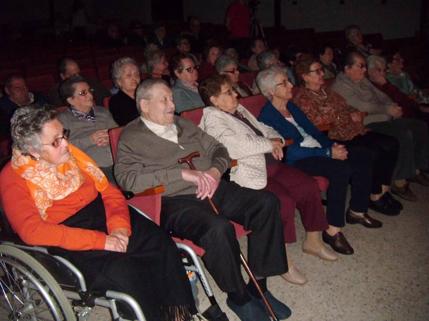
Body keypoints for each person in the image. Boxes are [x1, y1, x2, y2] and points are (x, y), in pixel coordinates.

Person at [114, 78, 291, 321]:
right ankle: (238, 296)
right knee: (217, 228)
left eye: (171, 98)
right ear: (144, 105)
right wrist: (181, 174)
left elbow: (219, 149)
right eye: (164, 99)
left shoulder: (184, 125)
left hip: (214, 185)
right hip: (174, 200)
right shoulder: (131, 136)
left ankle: (259, 286)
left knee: (266, 203)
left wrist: (215, 171)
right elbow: (127, 179)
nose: (171, 104)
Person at [0, 106, 198, 321]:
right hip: (67, 234)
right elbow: (33, 231)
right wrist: (102, 241)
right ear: (34, 150)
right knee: (125, 270)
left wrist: (119, 227)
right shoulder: (12, 178)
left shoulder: (72, 154)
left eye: (63, 134)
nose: (66, 143)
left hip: (102, 212)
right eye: (56, 141)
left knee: (160, 243)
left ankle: (179, 315)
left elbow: (109, 191)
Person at [199, 74, 338, 285]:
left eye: (233, 90)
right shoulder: (212, 119)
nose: (236, 94)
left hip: (271, 165)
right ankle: (283, 261)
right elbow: (235, 147)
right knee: (283, 201)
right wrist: (269, 143)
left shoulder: (238, 109)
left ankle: (314, 241)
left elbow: (267, 130)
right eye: (228, 92)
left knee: (308, 186)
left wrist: (277, 140)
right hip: (250, 173)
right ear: (214, 100)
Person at [257, 66, 383, 256]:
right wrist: (327, 153)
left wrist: (333, 146)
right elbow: (290, 152)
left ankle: (357, 211)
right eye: (284, 83)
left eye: (288, 80)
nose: (291, 85)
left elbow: (315, 132)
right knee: (340, 168)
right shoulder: (267, 117)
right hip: (298, 159)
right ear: (271, 91)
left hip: (318, 149)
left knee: (363, 155)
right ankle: (332, 230)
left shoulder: (291, 106)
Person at [293, 55, 402, 216]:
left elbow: (344, 106)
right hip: (334, 137)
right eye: (317, 71)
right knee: (371, 153)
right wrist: (344, 116)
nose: (322, 74)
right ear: (305, 76)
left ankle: (382, 191)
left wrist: (354, 112)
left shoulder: (326, 91)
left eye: (321, 70)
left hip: (351, 131)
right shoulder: (302, 99)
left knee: (391, 143)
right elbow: (319, 122)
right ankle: (373, 196)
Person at [331, 51, 429, 201]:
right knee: (403, 133)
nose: (364, 70)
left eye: (364, 66)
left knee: (420, 126)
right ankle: (399, 180)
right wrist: (386, 109)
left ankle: (416, 168)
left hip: (384, 117)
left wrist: (391, 105)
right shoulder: (340, 85)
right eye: (360, 66)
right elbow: (362, 105)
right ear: (347, 68)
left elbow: (381, 95)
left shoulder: (362, 80)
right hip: (369, 123)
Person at [57, 75, 117, 182]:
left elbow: (118, 134)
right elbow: (62, 148)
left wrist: (110, 138)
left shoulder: (102, 111)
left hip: (119, 160)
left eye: (89, 91)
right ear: (71, 100)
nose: (90, 95)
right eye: (83, 93)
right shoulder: (63, 120)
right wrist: (90, 140)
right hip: (93, 167)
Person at [367, 55, 429, 121]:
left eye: (384, 70)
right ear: (369, 71)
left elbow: (402, 97)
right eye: (379, 70)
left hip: (412, 112)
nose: (382, 74)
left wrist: (419, 107)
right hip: (401, 119)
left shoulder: (384, 82)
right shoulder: (370, 86)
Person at [46, 57, 110, 107]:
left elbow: (107, 98)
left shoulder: (91, 82)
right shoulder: (56, 92)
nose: (78, 77)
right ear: (63, 76)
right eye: (73, 75)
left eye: (78, 73)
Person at [109, 57, 141, 126]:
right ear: (119, 81)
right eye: (129, 75)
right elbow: (128, 123)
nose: (134, 78)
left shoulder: (145, 93)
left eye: (137, 74)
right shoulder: (115, 101)